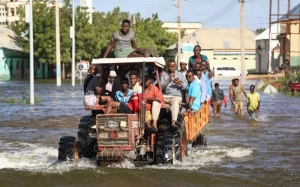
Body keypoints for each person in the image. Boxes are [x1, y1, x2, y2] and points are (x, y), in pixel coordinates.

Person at [160, 59, 187, 129]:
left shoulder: (180, 74)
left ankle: (173, 122)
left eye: (174, 66)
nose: (172, 68)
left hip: (176, 96)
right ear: (168, 67)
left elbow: (186, 86)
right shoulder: (163, 74)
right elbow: (161, 87)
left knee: (175, 102)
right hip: (166, 96)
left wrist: (179, 83)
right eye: (170, 66)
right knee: (156, 100)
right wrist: (168, 79)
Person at [143, 75, 164, 149]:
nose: (145, 81)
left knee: (148, 121)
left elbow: (159, 99)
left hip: (149, 110)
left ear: (150, 80)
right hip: (141, 109)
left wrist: (148, 98)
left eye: (146, 80)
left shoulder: (154, 88)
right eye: (144, 80)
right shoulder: (140, 88)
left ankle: (149, 144)